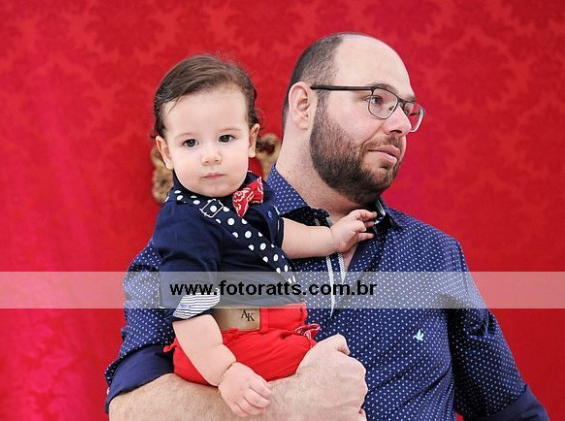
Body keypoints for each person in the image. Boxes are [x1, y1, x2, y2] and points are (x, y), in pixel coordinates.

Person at [106, 33, 549, 420]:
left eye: (406, 110)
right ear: (304, 105)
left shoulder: (435, 256)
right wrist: (286, 406)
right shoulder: (188, 245)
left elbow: (513, 411)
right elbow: (131, 410)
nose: (400, 125)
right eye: (377, 100)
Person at [148, 54, 375, 417]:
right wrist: (225, 372)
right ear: (166, 152)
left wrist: (332, 238)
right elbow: (188, 308)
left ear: (251, 140)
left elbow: (279, 234)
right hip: (226, 343)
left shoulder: (250, 194)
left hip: (264, 334)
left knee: (326, 367)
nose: (210, 156)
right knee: (323, 371)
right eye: (190, 143)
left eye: (226, 138)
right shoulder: (184, 223)